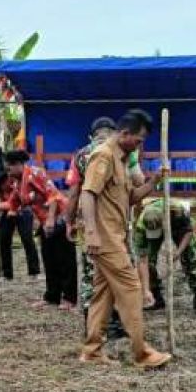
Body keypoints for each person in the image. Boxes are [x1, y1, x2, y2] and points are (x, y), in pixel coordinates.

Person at [79, 109, 170, 368]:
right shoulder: (104, 156)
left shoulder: (122, 159)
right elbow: (88, 194)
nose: (140, 146)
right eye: (138, 141)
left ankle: (92, 351)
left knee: (102, 295)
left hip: (115, 236)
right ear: (125, 133)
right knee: (131, 288)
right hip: (105, 238)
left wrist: (154, 181)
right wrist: (92, 232)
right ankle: (142, 353)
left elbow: (129, 198)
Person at [66, 117, 144, 334]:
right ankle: (115, 322)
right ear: (115, 132)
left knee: (92, 273)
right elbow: (138, 182)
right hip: (116, 223)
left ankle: (92, 325)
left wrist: (69, 221)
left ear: (92, 134)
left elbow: (74, 193)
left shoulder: (81, 155)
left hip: (88, 222)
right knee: (120, 270)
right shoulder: (124, 153)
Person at [0, 150, 76, 308]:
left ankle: (69, 298)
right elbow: (11, 204)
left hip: (59, 218)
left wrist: (51, 219)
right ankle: (52, 296)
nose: (7, 173)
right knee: (48, 258)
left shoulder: (36, 173)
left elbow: (53, 196)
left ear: (18, 165)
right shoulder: (17, 184)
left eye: (9, 169)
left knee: (64, 259)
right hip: (44, 222)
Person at [134, 198, 196, 312]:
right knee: (149, 260)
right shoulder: (141, 228)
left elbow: (188, 232)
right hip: (154, 226)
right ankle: (155, 296)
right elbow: (142, 260)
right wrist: (145, 290)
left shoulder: (177, 211)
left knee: (192, 251)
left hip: (176, 224)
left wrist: (178, 252)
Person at [0, 147, 42, 282]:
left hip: (23, 211)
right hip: (6, 210)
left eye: (11, 165)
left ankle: (34, 272)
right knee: (4, 241)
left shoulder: (25, 177)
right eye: (7, 165)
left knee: (27, 239)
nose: (9, 168)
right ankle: (7, 274)